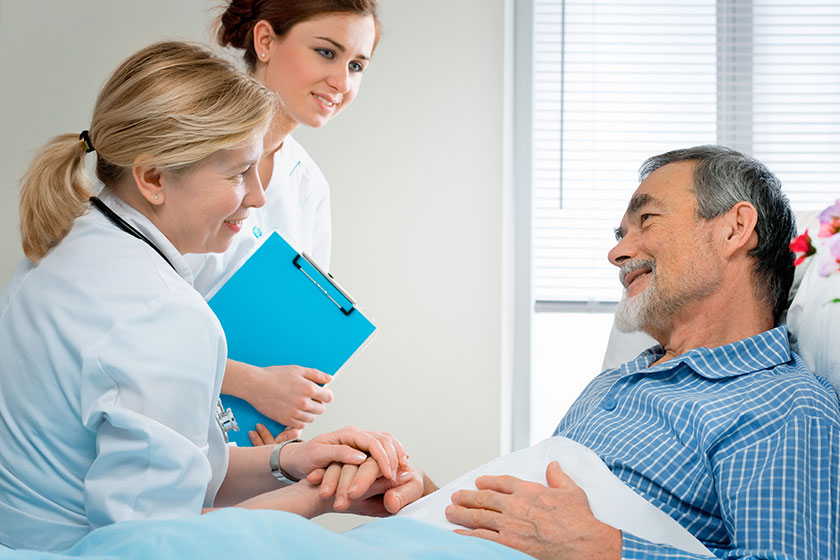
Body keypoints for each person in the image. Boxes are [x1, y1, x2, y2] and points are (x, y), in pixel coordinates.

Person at [322, 146, 840, 559]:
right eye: (620, 234)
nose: (616, 252)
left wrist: (605, 549)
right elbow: (536, 527)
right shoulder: (615, 383)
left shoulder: (784, 405)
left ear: (734, 228)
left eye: (647, 220)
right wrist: (430, 501)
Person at [0, 41, 415, 552]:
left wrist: (289, 461)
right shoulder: (166, 316)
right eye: (240, 173)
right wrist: (322, 495)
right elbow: (155, 544)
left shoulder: (65, 242)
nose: (258, 197)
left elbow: (165, 470)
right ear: (153, 178)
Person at [184, 0, 382, 445]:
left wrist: (285, 417)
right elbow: (129, 321)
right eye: (326, 52)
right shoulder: (188, 149)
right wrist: (254, 385)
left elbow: (300, 328)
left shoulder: (309, 186)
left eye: (356, 65)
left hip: (228, 438)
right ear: (265, 41)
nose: (342, 82)